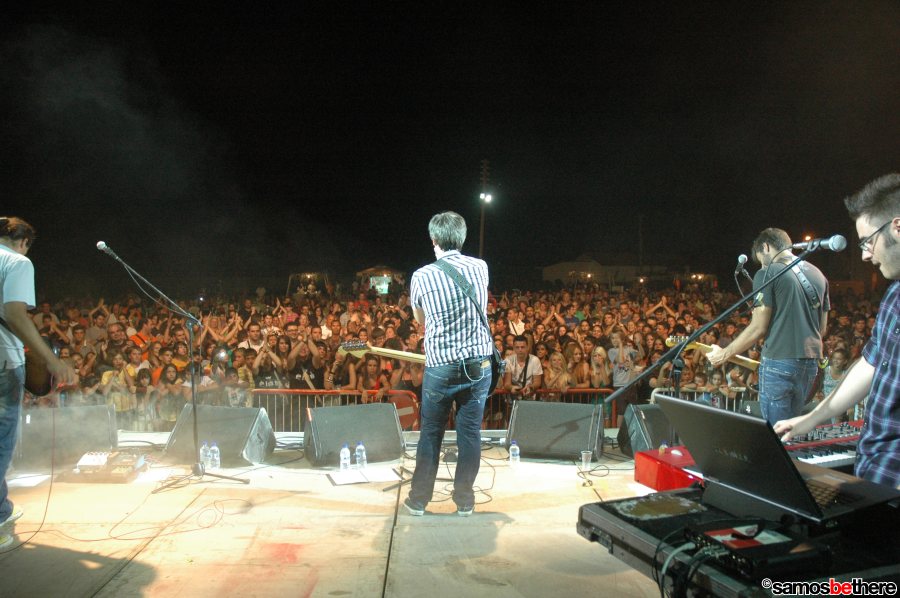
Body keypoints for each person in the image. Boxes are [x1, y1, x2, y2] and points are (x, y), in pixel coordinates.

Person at [775, 174, 900, 488]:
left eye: (867, 241)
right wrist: (811, 418)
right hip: (874, 461)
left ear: (897, 227)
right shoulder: (894, 296)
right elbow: (870, 365)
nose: (865, 255)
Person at [405, 211, 492, 517]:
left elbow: (420, 319)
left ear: (433, 240)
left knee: (431, 434)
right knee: (470, 434)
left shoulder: (422, 275)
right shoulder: (480, 267)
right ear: (462, 237)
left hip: (441, 364)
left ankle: (419, 500)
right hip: (477, 364)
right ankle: (465, 500)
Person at [0, 217, 76, 549]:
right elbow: (15, 314)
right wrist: (51, 360)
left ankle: (2, 508)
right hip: (3, 363)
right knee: (2, 442)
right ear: (23, 241)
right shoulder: (17, 262)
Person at [707, 228, 829, 425]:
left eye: (761, 260)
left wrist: (723, 354)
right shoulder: (818, 275)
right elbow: (821, 329)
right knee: (790, 429)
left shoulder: (768, 272)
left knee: (775, 431)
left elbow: (758, 328)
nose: (763, 265)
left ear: (765, 246)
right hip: (809, 364)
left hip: (779, 362)